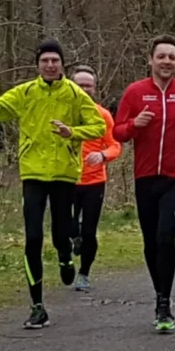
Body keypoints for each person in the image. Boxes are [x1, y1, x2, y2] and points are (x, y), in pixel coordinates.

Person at [0, 39, 106, 329]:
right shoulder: (26, 92)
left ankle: (66, 255)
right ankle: (37, 306)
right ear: (38, 65)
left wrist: (72, 133)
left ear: (62, 64)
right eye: (45, 61)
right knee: (32, 238)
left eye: (55, 60)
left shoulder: (75, 94)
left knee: (61, 232)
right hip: (33, 174)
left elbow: (99, 127)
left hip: (65, 173)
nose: (50, 65)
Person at [113, 34, 175, 333]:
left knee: (166, 237)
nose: (167, 61)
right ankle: (159, 292)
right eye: (162, 56)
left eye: (172, 57)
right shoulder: (135, 92)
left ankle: (164, 302)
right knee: (151, 241)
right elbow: (117, 132)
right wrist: (134, 125)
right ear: (151, 60)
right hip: (145, 177)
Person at [69, 65, 122, 292]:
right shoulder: (63, 114)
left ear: (95, 88)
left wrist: (102, 155)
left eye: (88, 86)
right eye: (79, 85)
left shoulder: (102, 115)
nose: (84, 89)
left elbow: (115, 146)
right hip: (66, 179)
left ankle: (84, 273)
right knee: (67, 228)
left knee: (89, 231)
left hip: (94, 181)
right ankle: (74, 239)